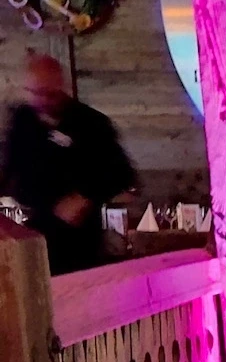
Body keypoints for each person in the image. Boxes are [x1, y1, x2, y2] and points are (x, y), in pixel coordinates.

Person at [2, 54, 134, 275]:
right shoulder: (22, 122)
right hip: (37, 237)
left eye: (49, 94)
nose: (43, 100)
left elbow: (122, 173)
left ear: (61, 87)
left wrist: (85, 196)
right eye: (36, 93)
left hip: (83, 241)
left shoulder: (90, 123)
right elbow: (12, 174)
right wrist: (47, 202)